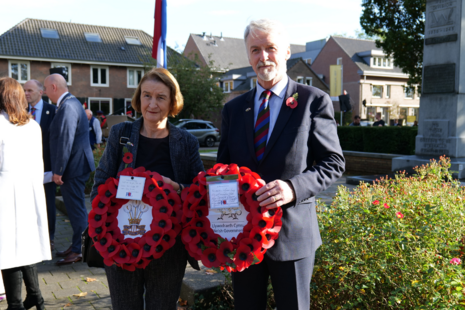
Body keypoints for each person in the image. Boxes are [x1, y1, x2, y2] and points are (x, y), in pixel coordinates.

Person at [217, 19, 345, 309]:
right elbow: (222, 171)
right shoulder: (234, 110)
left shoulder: (313, 101)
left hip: (293, 236)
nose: (263, 57)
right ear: (248, 55)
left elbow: (333, 162)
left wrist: (292, 188)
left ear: (287, 51)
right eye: (255, 50)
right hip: (243, 235)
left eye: (270, 48)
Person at [91, 68, 204, 310]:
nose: (152, 104)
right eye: (146, 96)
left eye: (161, 97)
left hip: (169, 249)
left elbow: (200, 193)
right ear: (138, 98)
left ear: (173, 101)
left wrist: (178, 188)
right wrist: (108, 211)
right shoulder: (121, 134)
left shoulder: (186, 142)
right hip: (121, 243)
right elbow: (100, 182)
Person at [0, 77, 51, 310]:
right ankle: (36, 298)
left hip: (5, 191)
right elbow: (38, 164)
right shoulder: (33, 125)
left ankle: (15, 304)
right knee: (26, 246)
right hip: (29, 191)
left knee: (8, 248)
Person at [44, 74, 95, 265]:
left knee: (76, 210)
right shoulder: (71, 104)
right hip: (76, 165)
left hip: (73, 167)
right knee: (76, 209)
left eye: (46, 88)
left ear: (54, 87)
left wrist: (58, 170)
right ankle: (76, 246)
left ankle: (81, 250)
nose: (45, 92)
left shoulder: (67, 107)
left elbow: (65, 139)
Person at [24, 79, 57, 251]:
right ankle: (32, 237)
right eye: (24, 90)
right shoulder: (21, 112)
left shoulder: (53, 111)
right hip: (26, 167)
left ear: (40, 92)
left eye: (30, 90)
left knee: (48, 203)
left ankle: (49, 238)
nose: (26, 94)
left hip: (48, 167)